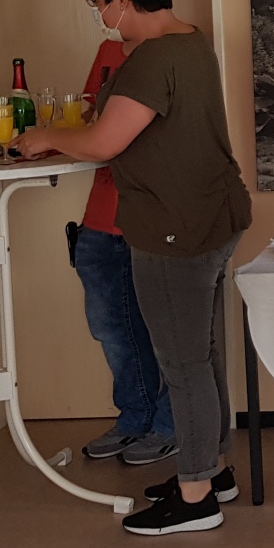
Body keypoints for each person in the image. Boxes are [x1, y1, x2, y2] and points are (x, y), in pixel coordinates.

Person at [13, 0, 252, 536]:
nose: (100, 13)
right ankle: (212, 470)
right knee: (203, 354)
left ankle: (196, 499)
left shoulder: (149, 58)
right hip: (214, 215)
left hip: (175, 228)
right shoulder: (192, 41)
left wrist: (45, 136)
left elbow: (102, 143)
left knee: (184, 364)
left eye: (98, 1)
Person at [70, 36, 176, 468]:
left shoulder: (177, 52)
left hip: (155, 217)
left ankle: (171, 425)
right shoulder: (108, 52)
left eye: (101, 3)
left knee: (167, 332)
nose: (100, 11)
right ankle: (135, 417)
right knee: (111, 328)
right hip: (100, 216)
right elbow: (88, 119)